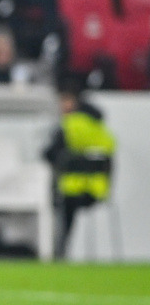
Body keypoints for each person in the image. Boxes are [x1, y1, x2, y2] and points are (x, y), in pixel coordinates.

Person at [42, 83, 115, 258]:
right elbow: (109, 155)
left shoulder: (68, 125)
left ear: (73, 102)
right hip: (98, 189)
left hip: (71, 189)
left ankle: (61, 251)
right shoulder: (99, 127)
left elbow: (49, 154)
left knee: (60, 210)